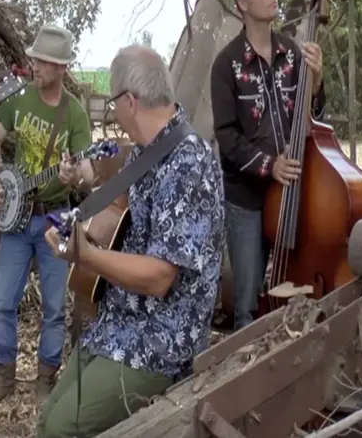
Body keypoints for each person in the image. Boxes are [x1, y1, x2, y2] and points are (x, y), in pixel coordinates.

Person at [38, 45, 225, 438]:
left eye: (113, 102)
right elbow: (120, 214)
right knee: (48, 420)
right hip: (120, 322)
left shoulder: (187, 162)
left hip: (161, 341)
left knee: (59, 430)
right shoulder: (148, 151)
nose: (113, 111)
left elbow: (160, 278)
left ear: (130, 101)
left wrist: (86, 255)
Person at [0, 25, 95, 406]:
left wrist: (73, 173)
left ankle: (46, 379)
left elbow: (90, 173)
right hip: (15, 219)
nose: (37, 65)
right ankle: (4, 378)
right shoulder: (16, 99)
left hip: (54, 220)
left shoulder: (74, 113)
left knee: (54, 307)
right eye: (36, 58)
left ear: (62, 68)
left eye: (45, 61)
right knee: (2, 301)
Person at [211, 0, 326, 331]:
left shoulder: (293, 54)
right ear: (243, 3)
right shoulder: (226, 64)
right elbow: (226, 136)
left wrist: (318, 81)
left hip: (293, 192)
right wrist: (269, 165)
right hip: (245, 198)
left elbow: (313, 117)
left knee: (296, 290)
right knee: (247, 303)